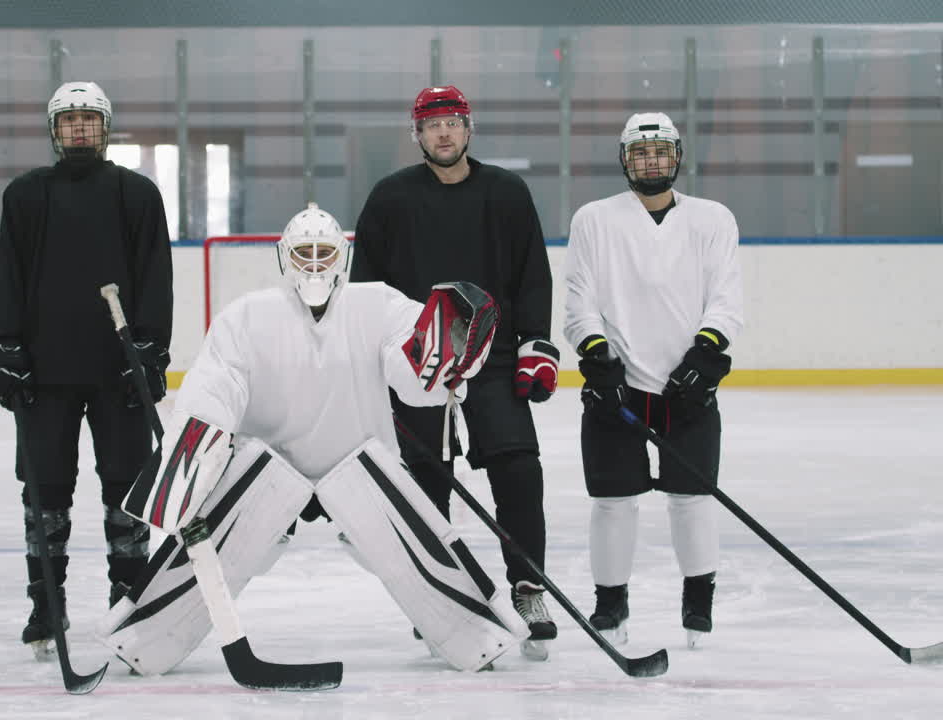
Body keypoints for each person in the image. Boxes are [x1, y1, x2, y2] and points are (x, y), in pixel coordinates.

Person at [101, 202, 518, 675]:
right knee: (211, 544)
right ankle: (143, 641)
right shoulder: (247, 317)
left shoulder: (378, 304)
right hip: (267, 470)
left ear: (342, 255)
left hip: (362, 465)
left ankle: (478, 636)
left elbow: (415, 377)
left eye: (324, 251)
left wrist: (454, 355)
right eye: (304, 253)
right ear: (284, 258)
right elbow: (219, 384)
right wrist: (197, 444)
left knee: (416, 540)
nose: (314, 263)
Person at [350, 85, 561, 653]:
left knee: (518, 469)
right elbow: (364, 288)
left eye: (453, 122)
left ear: (469, 130)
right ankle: (437, 592)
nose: (443, 132)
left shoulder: (507, 193)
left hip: (491, 362)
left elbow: (533, 274)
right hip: (418, 366)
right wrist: (375, 358)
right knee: (425, 484)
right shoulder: (390, 198)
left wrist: (536, 345)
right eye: (432, 124)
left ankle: (526, 585)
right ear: (416, 134)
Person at [0, 80, 173, 659]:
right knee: (44, 489)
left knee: (126, 485)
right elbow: (9, 277)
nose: (79, 129)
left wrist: (150, 349)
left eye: (89, 120)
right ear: (54, 130)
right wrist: (7, 350)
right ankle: (47, 601)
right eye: (68, 121)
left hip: (118, 371)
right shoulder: (25, 196)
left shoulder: (136, 193)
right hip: (44, 373)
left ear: (105, 127)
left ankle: (129, 592)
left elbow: (155, 276)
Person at [562, 111, 744, 648]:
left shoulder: (713, 220)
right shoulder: (594, 219)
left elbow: (726, 301)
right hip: (617, 388)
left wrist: (705, 356)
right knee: (612, 500)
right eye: (641, 153)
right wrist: (597, 357)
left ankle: (697, 604)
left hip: (686, 389)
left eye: (661, 152)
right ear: (625, 159)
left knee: (692, 498)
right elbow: (578, 299)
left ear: (677, 157)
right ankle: (611, 604)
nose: (651, 161)